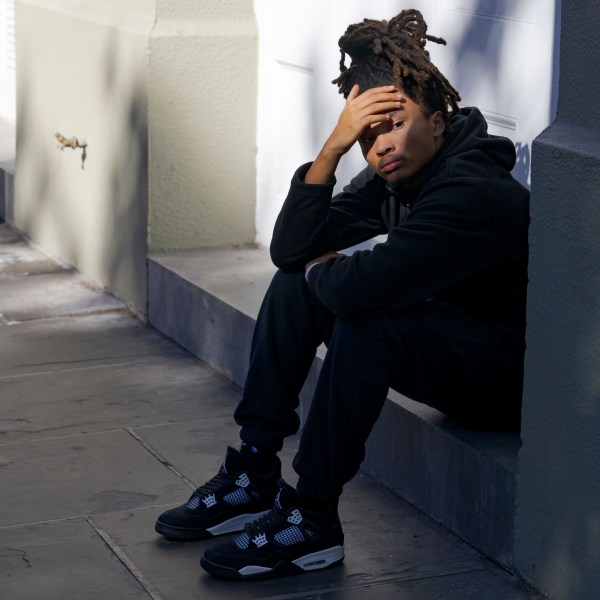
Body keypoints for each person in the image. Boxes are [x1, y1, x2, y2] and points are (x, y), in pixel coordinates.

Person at [155, 9, 529, 581]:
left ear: (437, 120)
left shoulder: (471, 194)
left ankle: (312, 520)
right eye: (367, 134)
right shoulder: (396, 173)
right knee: (294, 283)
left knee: (365, 318)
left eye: (394, 124)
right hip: (451, 351)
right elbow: (291, 251)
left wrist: (322, 273)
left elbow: (360, 289)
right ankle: (254, 472)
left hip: (501, 383)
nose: (381, 147)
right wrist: (330, 151)